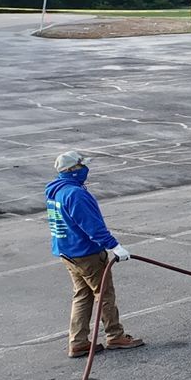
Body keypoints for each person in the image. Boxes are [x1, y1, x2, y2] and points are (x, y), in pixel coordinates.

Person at [46, 150, 144, 358]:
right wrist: (114, 246)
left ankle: (78, 341)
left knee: (82, 295)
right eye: (82, 166)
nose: (86, 169)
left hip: (67, 252)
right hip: (86, 254)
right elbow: (92, 226)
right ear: (72, 169)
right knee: (104, 294)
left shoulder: (56, 190)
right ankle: (115, 335)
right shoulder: (75, 194)